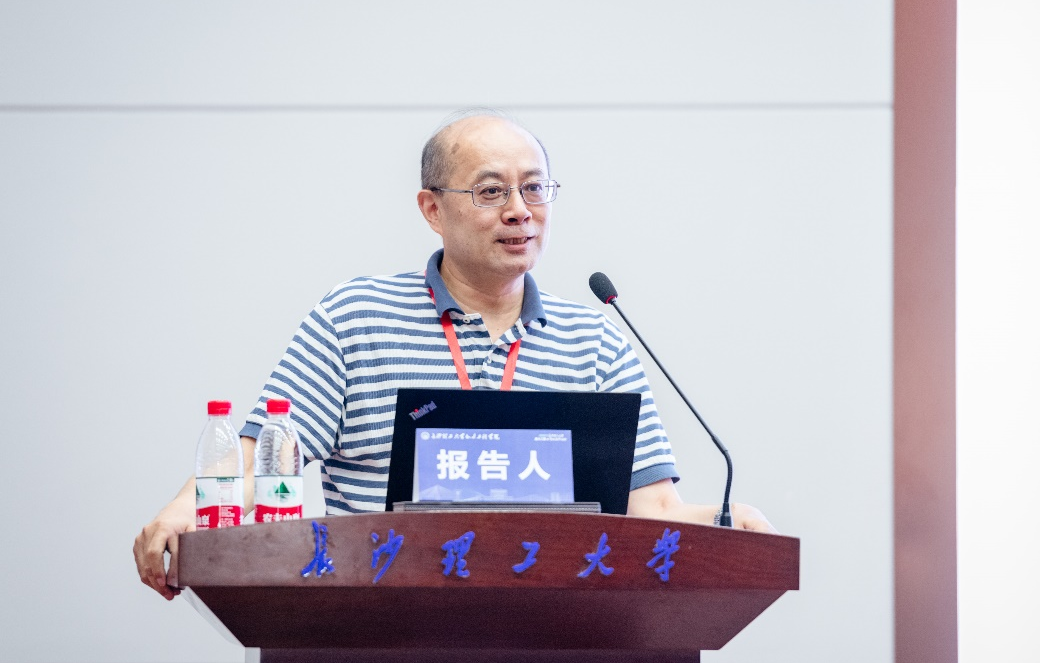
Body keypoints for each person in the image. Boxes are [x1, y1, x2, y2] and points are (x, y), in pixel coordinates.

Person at [134, 110, 774, 601]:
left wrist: (729, 521)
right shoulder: (356, 318)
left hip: (558, 629)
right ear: (432, 209)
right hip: (378, 623)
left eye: (535, 189)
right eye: (491, 192)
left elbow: (651, 510)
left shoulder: (596, 339)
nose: (520, 212)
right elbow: (260, 457)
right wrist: (184, 509)